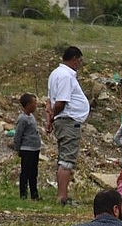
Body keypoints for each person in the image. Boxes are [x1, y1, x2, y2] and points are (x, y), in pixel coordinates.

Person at [45, 46, 90, 206]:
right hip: (68, 121)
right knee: (67, 160)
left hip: (63, 121)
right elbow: (60, 103)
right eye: (79, 60)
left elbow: (48, 102)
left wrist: (50, 119)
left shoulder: (55, 74)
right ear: (74, 58)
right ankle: (62, 198)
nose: (80, 64)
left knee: (64, 157)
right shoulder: (65, 76)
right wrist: (52, 118)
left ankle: (62, 195)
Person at [14, 93, 41, 200]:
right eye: (34, 103)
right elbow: (18, 135)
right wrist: (18, 148)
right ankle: (23, 194)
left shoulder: (32, 117)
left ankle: (34, 194)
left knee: (34, 173)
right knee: (25, 172)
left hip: (35, 149)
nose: (36, 106)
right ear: (28, 104)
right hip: (27, 149)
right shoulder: (22, 119)